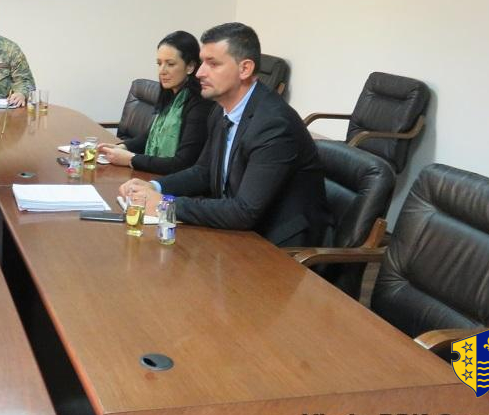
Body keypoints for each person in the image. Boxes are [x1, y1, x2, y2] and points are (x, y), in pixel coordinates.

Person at [119, 22, 330, 247]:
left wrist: (164, 203)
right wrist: (155, 187)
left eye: (213, 64)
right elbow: (203, 171)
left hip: (278, 245)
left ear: (245, 69)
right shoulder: (221, 110)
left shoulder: (274, 125)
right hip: (238, 230)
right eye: (202, 62)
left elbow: (244, 211)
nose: (200, 72)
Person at [98, 31, 215, 174]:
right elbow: (149, 136)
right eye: (159, 63)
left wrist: (131, 159)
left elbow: (183, 163)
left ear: (190, 66)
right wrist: (122, 147)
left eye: (170, 64)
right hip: (153, 173)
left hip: (174, 181)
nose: (162, 71)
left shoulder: (200, 104)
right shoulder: (171, 94)